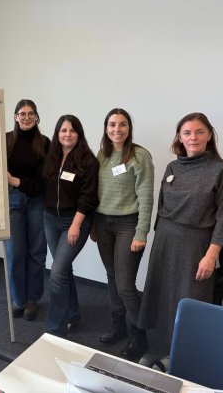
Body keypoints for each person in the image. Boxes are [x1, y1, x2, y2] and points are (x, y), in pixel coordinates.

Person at [138, 112, 223, 355]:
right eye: (187, 133)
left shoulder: (222, 170)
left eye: (199, 132)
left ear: (209, 135)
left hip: (196, 245)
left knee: (189, 300)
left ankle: (187, 356)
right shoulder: (173, 167)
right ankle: (160, 350)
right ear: (179, 138)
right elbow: (162, 207)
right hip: (165, 241)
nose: (193, 137)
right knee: (161, 296)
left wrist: (211, 255)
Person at [92, 108, 154, 359]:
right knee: (111, 276)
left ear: (129, 128)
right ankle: (118, 326)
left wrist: (141, 232)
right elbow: (97, 192)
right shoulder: (102, 155)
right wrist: (94, 225)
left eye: (122, 124)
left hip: (128, 225)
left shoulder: (140, 156)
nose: (117, 129)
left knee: (126, 285)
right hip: (103, 224)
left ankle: (139, 336)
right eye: (112, 124)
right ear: (106, 128)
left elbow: (146, 197)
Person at [42, 115, 99, 337]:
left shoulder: (88, 161)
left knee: (56, 272)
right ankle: (73, 314)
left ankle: (55, 329)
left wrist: (76, 225)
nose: (68, 134)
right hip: (49, 219)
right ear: (57, 133)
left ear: (79, 134)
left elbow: (88, 197)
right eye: (63, 130)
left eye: (72, 130)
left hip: (74, 222)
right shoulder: (51, 157)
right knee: (63, 269)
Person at [5, 99, 51, 321]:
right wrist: (16, 185)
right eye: (22, 114)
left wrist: (15, 181)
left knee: (36, 253)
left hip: (36, 201)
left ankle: (32, 299)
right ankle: (18, 299)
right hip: (12, 201)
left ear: (37, 117)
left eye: (31, 113)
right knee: (15, 253)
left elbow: (42, 181)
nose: (26, 117)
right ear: (15, 117)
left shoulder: (45, 143)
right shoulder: (5, 140)